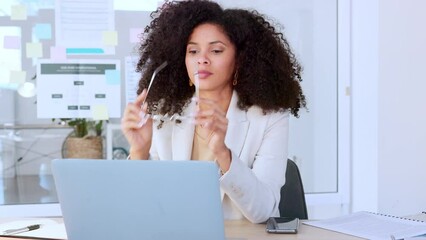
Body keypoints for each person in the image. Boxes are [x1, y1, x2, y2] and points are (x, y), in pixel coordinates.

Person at [121, 0, 306, 224]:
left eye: (216, 50)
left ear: (240, 60)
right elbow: (144, 206)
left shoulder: (269, 118)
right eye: (193, 51)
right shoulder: (164, 113)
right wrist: (139, 151)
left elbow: (264, 211)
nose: (202, 59)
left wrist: (222, 152)